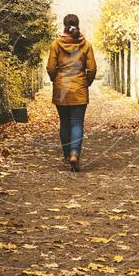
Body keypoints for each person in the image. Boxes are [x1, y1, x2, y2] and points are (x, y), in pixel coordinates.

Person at [46, 14, 97, 172]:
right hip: (79, 88)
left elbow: (50, 67)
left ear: (64, 25)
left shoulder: (56, 44)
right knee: (76, 123)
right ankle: (75, 153)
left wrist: (56, 79)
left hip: (62, 88)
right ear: (78, 24)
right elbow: (92, 68)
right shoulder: (86, 45)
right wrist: (86, 82)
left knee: (64, 122)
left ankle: (68, 154)